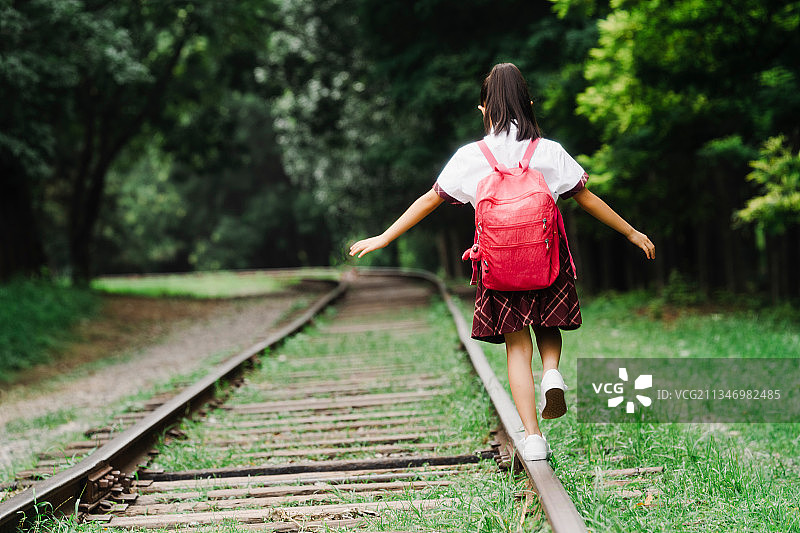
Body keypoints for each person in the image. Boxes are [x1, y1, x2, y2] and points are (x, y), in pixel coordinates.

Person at [349, 63, 655, 461]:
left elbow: (430, 199)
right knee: (548, 325)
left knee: (515, 348)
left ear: (484, 110)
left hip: (499, 267)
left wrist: (384, 236)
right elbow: (586, 197)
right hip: (548, 260)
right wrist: (631, 232)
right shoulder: (548, 151)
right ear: (528, 104)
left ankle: (533, 438)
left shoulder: (469, 157)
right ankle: (552, 373)